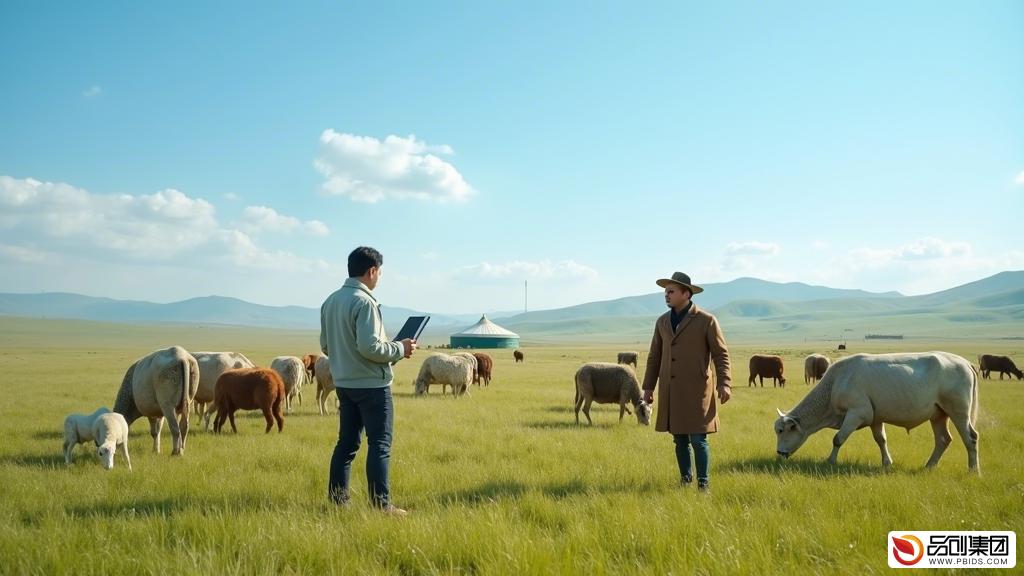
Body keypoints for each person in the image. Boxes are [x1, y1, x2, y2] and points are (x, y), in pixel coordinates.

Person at [320, 246, 416, 515]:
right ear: (372, 271)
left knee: (346, 445)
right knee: (380, 445)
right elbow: (370, 348)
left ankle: (338, 502)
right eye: (380, 272)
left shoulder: (331, 301)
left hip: (345, 385)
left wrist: (347, 359)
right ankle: (381, 506)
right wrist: (400, 349)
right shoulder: (366, 302)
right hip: (372, 387)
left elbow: (326, 345)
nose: (379, 278)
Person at [642, 271, 732, 492]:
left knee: (698, 439)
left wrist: (725, 383)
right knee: (679, 439)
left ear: (686, 293)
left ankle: (704, 483)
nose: (666, 295)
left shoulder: (706, 320)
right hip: (671, 390)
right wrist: (648, 387)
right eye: (665, 292)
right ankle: (685, 479)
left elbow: (721, 354)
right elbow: (654, 356)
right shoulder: (662, 322)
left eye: (671, 291)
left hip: (697, 388)